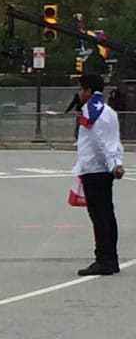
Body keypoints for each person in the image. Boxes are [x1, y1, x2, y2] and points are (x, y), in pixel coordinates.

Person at [73, 73, 124, 276]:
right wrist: (117, 162)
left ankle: (103, 259)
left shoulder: (91, 112)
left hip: (95, 169)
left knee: (99, 216)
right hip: (105, 169)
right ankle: (111, 259)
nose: (79, 93)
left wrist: (112, 164)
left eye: (80, 89)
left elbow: (99, 141)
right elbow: (115, 140)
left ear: (87, 90)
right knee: (107, 214)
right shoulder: (109, 111)